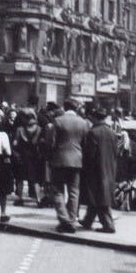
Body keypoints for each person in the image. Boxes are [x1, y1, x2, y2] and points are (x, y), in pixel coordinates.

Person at [48, 98, 88, 233]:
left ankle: (64, 220)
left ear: (64, 107)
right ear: (76, 108)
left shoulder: (58, 121)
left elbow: (51, 142)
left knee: (57, 190)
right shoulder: (83, 123)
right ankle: (71, 220)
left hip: (59, 160)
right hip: (77, 161)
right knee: (74, 191)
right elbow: (85, 144)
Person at [79, 107, 118, 233]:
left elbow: (90, 154)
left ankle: (108, 225)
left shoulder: (92, 133)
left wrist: (84, 167)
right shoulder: (112, 133)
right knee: (98, 196)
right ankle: (88, 220)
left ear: (95, 118)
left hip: (96, 169)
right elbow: (116, 152)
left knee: (99, 197)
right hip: (109, 168)